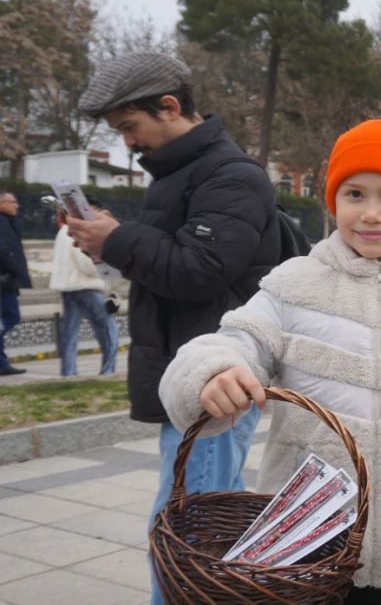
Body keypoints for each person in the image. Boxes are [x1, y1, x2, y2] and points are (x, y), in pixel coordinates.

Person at [160, 118, 381, 603]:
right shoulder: (293, 285)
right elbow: (231, 342)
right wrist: (212, 374)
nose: (371, 214)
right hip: (305, 550)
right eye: (355, 194)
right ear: (333, 200)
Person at [70, 52, 282, 604]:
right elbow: (176, 261)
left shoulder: (230, 175)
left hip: (214, 387)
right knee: (193, 532)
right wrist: (114, 239)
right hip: (191, 381)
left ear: (169, 107)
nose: (128, 144)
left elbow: (199, 270)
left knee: (189, 540)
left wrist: (116, 240)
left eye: (130, 128)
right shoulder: (181, 173)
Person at [49, 199, 119, 376]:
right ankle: (108, 370)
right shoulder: (78, 229)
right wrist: (106, 268)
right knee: (109, 329)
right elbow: (86, 263)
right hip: (85, 286)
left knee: (70, 333)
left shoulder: (64, 229)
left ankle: (68, 373)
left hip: (68, 286)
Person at [0, 189, 30, 376]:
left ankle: (2, 363)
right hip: (5, 281)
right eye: (13, 202)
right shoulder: (1, 222)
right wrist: (17, 271)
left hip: (7, 281)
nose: (17, 205)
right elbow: (2, 250)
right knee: (11, 317)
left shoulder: (7, 222)